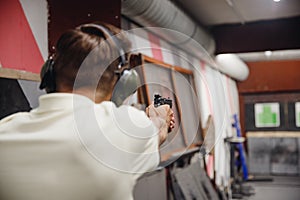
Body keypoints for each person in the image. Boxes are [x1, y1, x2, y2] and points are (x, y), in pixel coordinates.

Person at [0, 22, 174, 200]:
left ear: (49, 74)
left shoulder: (4, 132)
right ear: (123, 83)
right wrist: (162, 111)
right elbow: (158, 130)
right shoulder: (126, 126)